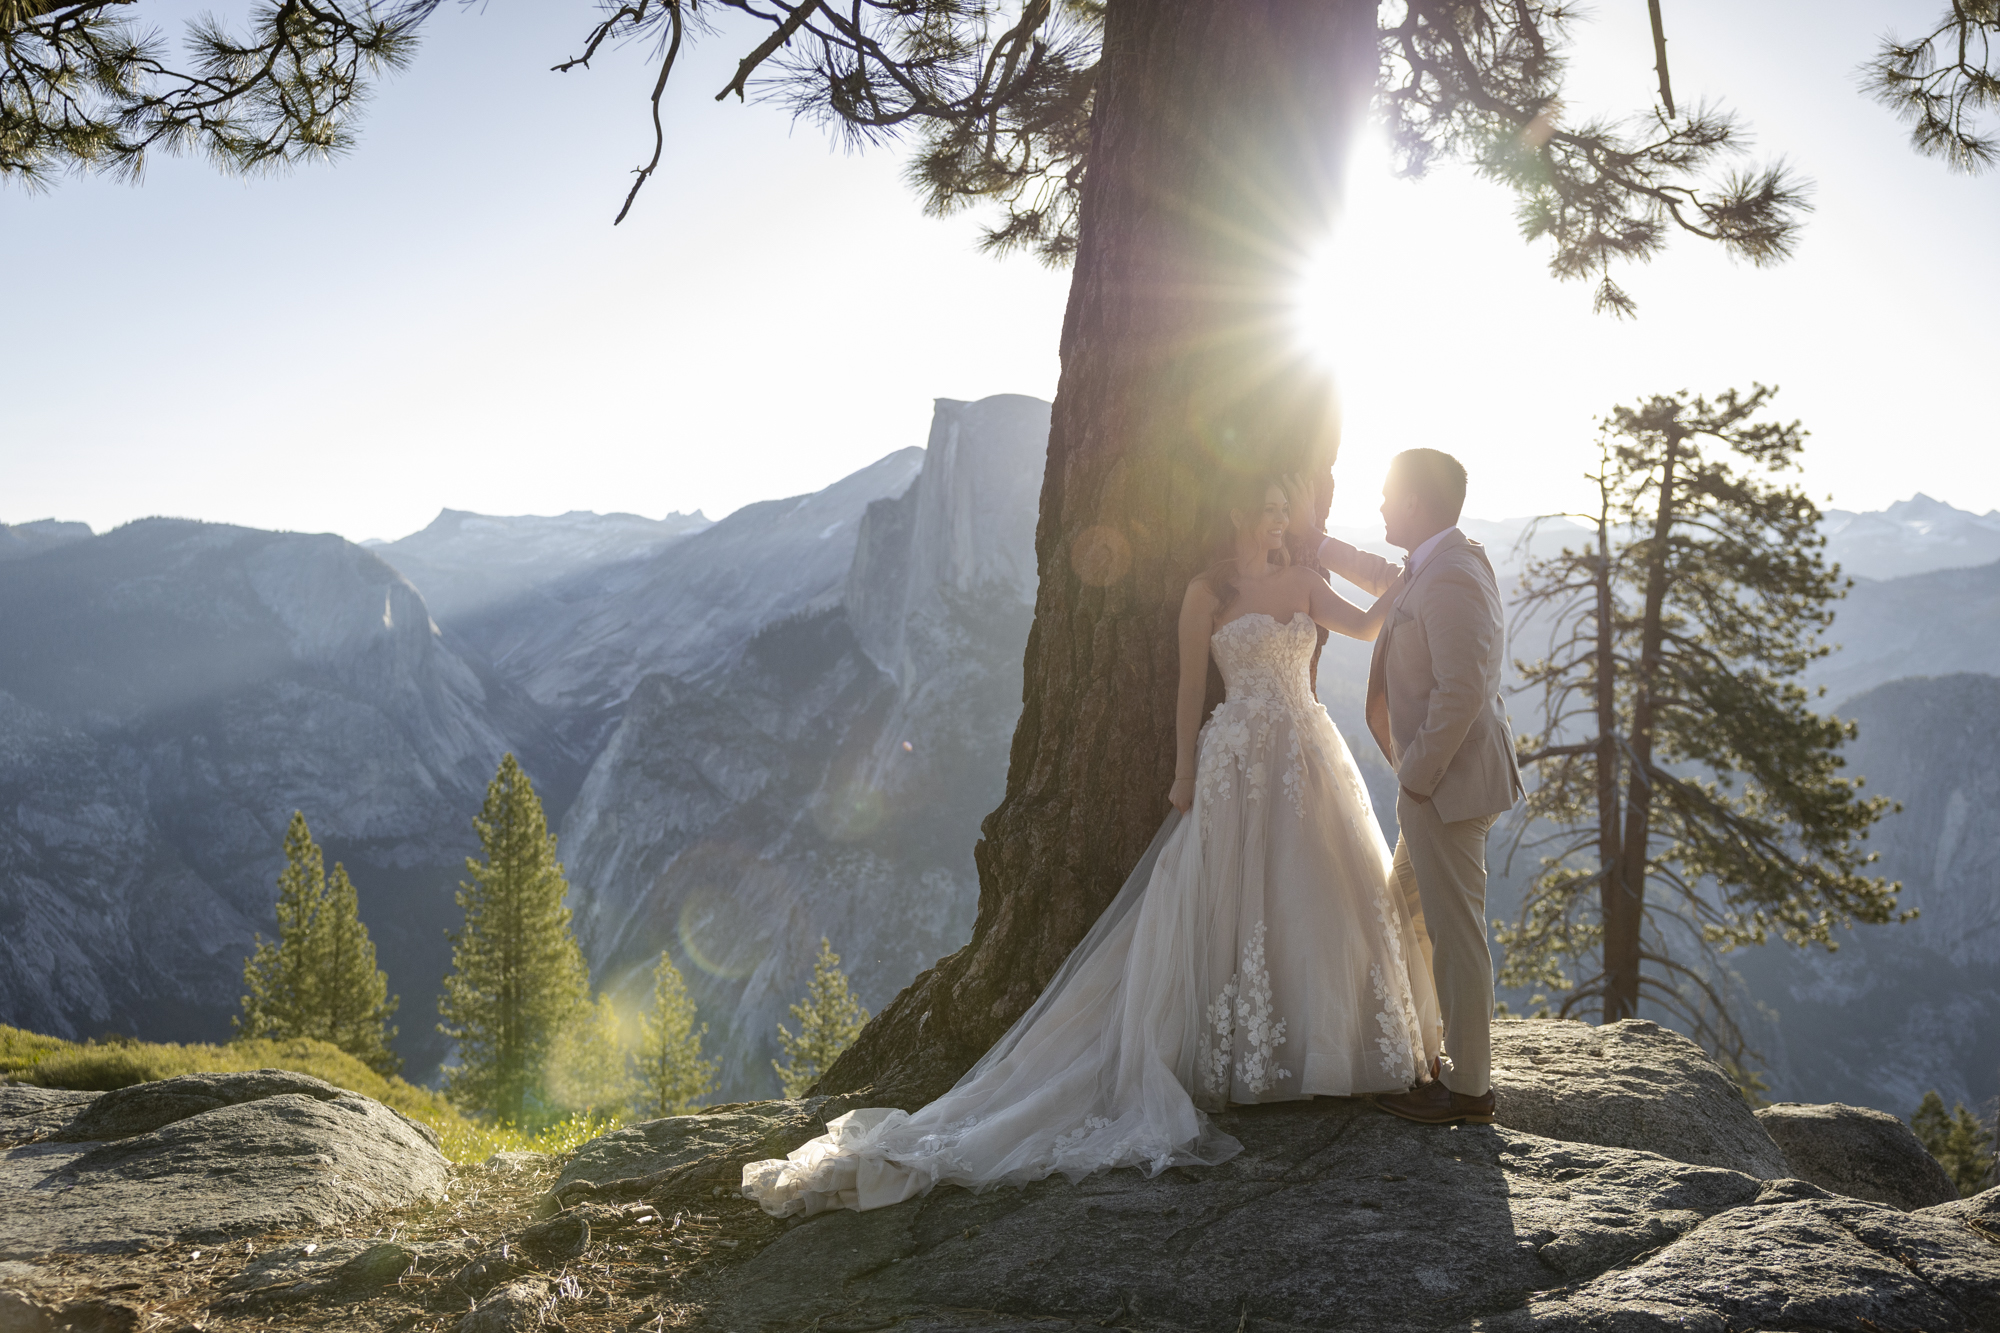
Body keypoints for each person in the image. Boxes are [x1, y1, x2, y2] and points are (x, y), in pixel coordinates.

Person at [740, 475, 1440, 1218]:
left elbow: (1367, 625)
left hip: (1306, 753)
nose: (1277, 522)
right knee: (1233, 900)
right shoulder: (1207, 591)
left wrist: (1393, 572)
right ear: (1237, 512)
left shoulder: (1305, 576)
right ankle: (1252, 1060)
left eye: (1282, 512)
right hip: (1235, 760)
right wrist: (1181, 771)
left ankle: (1327, 1050)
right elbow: (1184, 691)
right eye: (1266, 510)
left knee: (1316, 897)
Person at [1310, 448, 1523, 1125]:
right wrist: (1315, 544)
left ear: (1417, 505)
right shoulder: (1431, 563)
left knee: (1454, 932)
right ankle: (1422, 1053)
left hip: (1448, 786)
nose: (1378, 505)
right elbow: (1381, 576)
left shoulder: (1452, 576)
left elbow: (1464, 689)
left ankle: (1468, 1092)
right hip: (1440, 784)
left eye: (1386, 495)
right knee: (1402, 907)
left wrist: (1417, 779)